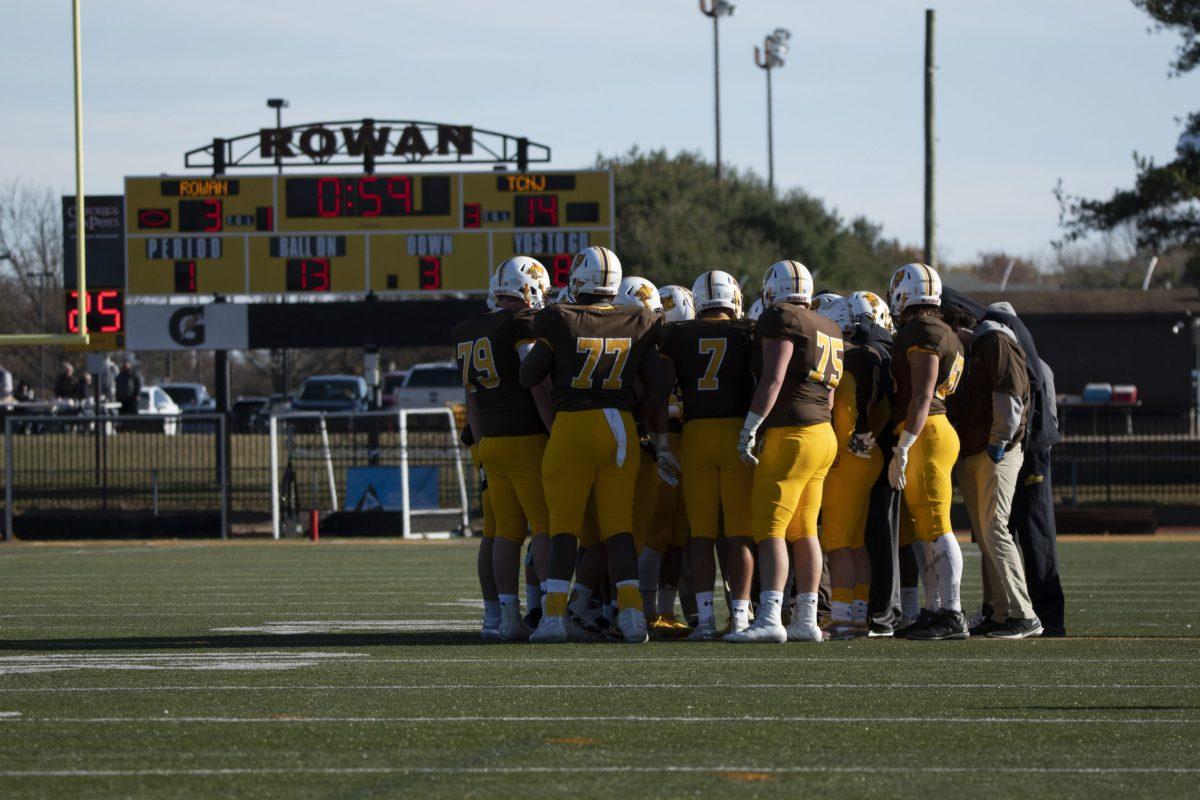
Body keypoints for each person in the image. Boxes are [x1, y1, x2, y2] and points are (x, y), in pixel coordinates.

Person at [519, 245, 675, 644]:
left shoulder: (559, 318)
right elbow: (659, 387)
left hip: (572, 427)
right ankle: (633, 617)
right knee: (619, 529)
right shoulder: (640, 319)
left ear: (578, 280)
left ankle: (553, 617)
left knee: (564, 528)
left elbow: (528, 375)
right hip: (620, 429)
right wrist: (635, 413)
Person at [727, 260, 843, 644]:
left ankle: (770, 617)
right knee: (805, 529)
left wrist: (750, 426)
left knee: (769, 528)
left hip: (792, 433)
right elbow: (829, 391)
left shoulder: (782, 317)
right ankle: (806, 618)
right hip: (822, 433)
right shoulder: (828, 323)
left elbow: (773, 379)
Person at [452, 256, 554, 641]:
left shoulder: (467, 330)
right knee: (544, 527)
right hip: (526, 438)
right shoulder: (524, 324)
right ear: (532, 289)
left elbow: (471, 398)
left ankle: (500, 617)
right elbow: (538, 385)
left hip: (489, 442)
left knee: (503, 532)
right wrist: (554, 431)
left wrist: (482, 445)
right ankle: (548, 611)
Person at [660, 270, 756, 640]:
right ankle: (743, 617)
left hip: (696, 434)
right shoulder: (748, 332)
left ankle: (704, 620)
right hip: (737, 433)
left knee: (699, 535)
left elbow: (662, 388)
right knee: (739, 534)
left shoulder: (678, 334)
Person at [944, 303, 1043, 639]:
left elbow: (1009, 390)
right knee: (987, 535)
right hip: (977, 450)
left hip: (995, 451)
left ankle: (1023, 614)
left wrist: (999, 439)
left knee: (995, 529)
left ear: (957, 327)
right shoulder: (979, 348)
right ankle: (1000, 612)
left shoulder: (995, 341)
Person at [887, 263, 968, 641]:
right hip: (929, 430)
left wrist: (905, 444)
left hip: (927, 431)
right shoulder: (943, 330)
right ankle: (935, 608)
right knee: (924, 527)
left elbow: (922, 394)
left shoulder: (924, 330)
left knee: (937, 524)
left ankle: (952, 611)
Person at [816, 294, 887, 639]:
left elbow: (837, 414)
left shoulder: (840, 358)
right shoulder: (866, 355)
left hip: (847, 456)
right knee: (856, 541)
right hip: (869, 455)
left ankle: (842, 616)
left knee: (837, 542)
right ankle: (858, 614)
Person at [846, 290, 903, 636]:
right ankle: (887, 609)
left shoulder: (862, 353)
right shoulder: (887, 350)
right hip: (885, 448)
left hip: (869, 449)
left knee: (873, 533)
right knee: (881, 533)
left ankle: (879, 612)